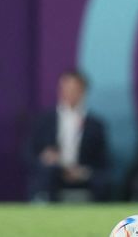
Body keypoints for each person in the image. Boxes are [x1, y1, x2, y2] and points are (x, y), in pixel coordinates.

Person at [25, 71, 110, 203]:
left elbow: (103, 161)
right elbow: (28, 153)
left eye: (73, 89)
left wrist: (83, 172)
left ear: (83, 91)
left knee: (101, 181)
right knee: (46, 174)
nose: (67, 93)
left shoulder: (95, 125)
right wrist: (45, 158)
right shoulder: (44, 120)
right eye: (64, 89)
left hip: (81, 173)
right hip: (53, 172)